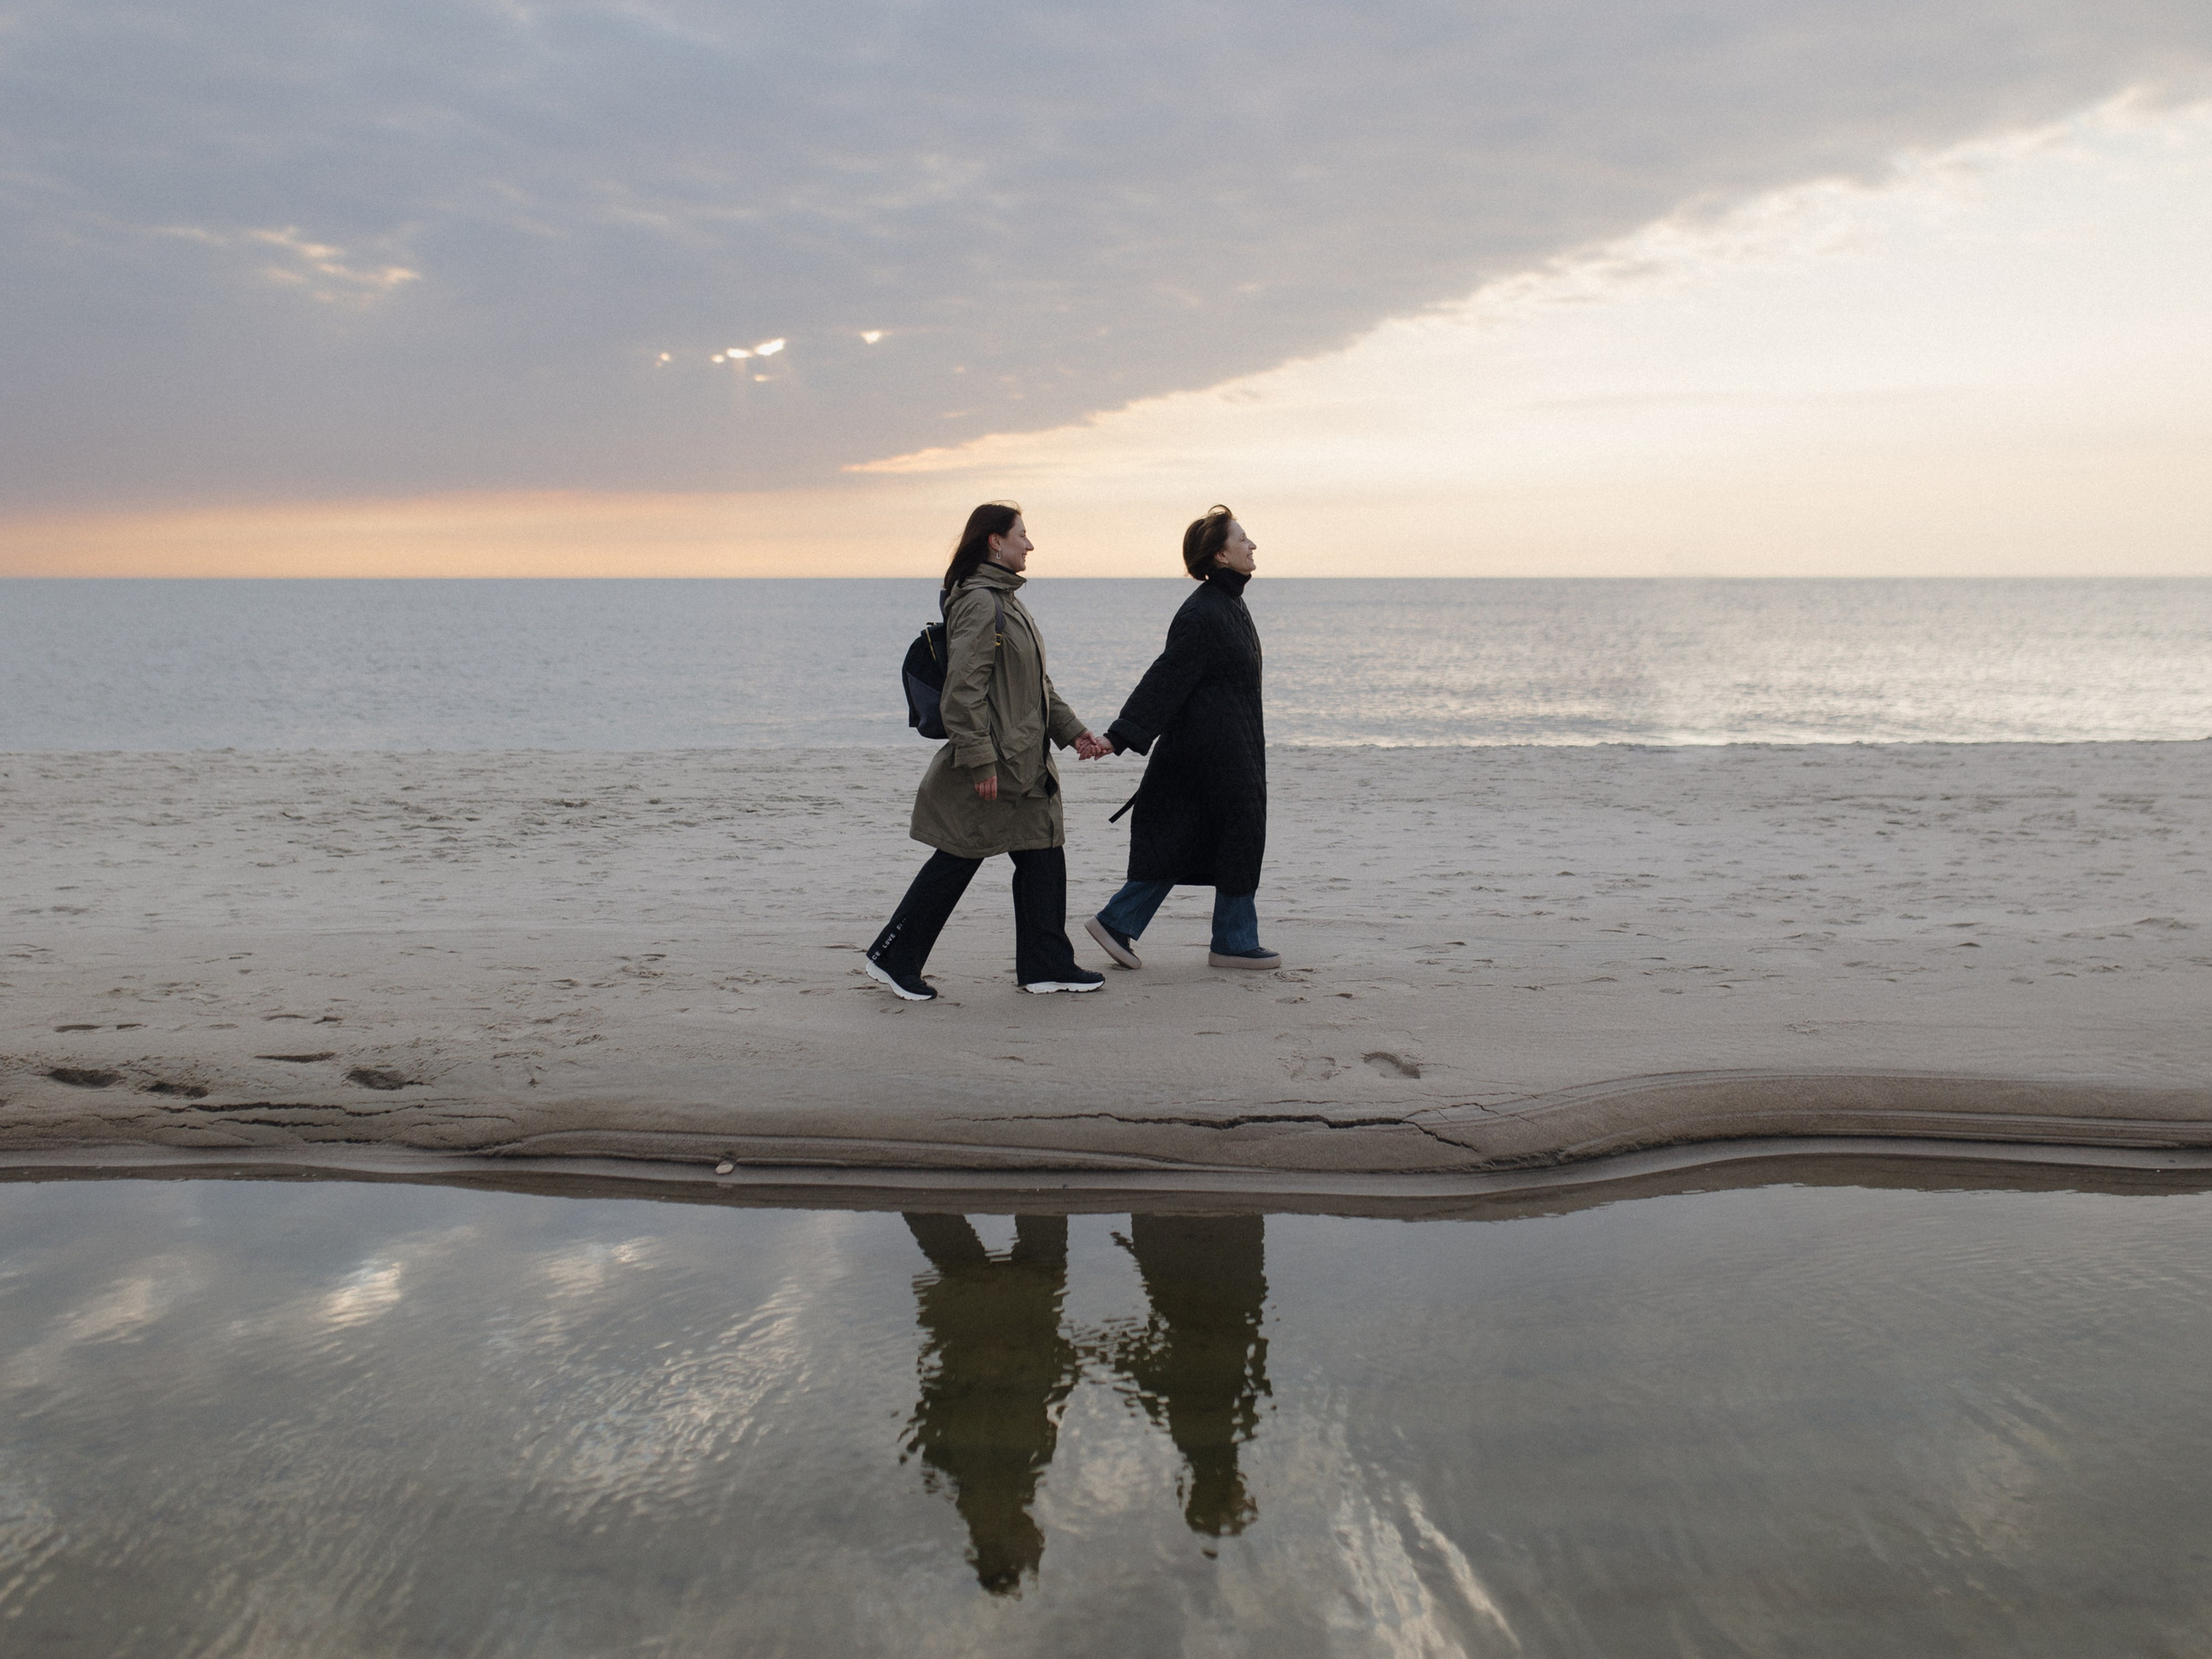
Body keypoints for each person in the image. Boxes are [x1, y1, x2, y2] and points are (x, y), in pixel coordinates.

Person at [866, 503, 1114, 1001]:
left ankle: (1047, 964)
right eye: (1023, 534)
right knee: (959, 855)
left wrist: (1075, 732)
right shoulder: (982, 603)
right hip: (996, 765)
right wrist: (980, 761)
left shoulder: (1008, 601)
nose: (1030, 544)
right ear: (995, 542)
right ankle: (894, 957)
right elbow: (962, 693)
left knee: (1043, 850)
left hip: (1026, 763)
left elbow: (1036, 686)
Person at [1086, 506, 1278, 969]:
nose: (1253, 546)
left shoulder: (1228, 603)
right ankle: (1228, 940)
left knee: (1222, 839)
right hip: (1206, 756)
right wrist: (1120, 735)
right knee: (1201, 838)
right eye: (1243, 539)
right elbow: (1167, 676)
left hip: (1231, 749)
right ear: (1220, 555)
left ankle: (1124, 922)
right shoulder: (1205, 611)